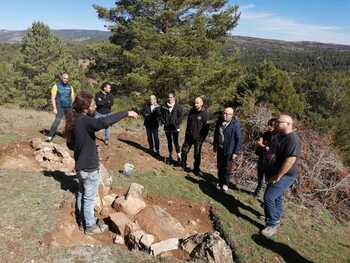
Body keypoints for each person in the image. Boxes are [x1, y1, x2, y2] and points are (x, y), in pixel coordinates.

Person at [65, 91, 138, 235]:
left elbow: (72, 145)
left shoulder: (75, 121)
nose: (95, 107)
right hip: (89, 168)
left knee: (81, 193)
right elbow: (103, 122)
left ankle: (82, 221)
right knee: (89, 198)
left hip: (80, 167)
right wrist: (126, 113)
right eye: (92, 105)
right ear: (86, 108)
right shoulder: (85, 120)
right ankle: (90, 226)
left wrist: (90, 146)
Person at [261, 115, 301, 237]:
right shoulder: (279, 135)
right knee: (277, 196)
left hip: (286, 174)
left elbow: (290, 160)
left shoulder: (293, 139)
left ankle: (272, 224)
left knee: (269, 197)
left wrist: (278, 176)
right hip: (275, 171)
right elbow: (272, 151)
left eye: (279, 122)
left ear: (288, 124)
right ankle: (276, 218)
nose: (276, 123)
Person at [213, 107, 242, 192]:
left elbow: (239, 139)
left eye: (227, 114)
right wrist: (215, 145)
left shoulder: (235, 124)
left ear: (232, 115)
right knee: (219, 166)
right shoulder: (220, 121)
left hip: (229, 150)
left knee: (227, 168)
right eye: (224, 113)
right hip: (220, 148)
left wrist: (235, 152)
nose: (224, 115)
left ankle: (226, 183)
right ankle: (220, 181)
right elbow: (216, 134)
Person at [181, 96, 209, 175]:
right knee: (184, 151)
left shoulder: (205, 113)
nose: (196, 104)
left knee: (196, 155)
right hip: (189, 136)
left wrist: (202, 138)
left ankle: (196, 169)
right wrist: (186, 134)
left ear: (202, 103)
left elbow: (206, 128)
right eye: (195, 103)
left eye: (197, 103)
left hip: (198, 139)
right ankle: (183, 165)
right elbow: (188, 123)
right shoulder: (192, 111)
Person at [46, 72, 75, 142]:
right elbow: (53, 98)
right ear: (62, 78)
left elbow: (73, 97)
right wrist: (54, 108)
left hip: (68, 107)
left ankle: (68, 136)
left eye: (67, 79)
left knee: (70, 122)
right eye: (64, 78)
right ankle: (50, 136)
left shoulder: (70, 87)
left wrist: (73, 107)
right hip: (60, 107)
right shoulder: (56, 86)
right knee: (57, 121)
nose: (65, 80)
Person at [254, 118, 278, 197]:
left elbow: (273, 149)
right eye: (268, 125)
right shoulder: (266, 134)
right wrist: (264, 146)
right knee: (260, 177)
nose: (269, 127)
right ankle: (257, 192)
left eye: (271, 125)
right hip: (262, 158)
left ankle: (266, 197)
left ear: (276, 126)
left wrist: (263, 146)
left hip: (271, 161)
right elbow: (258, 143)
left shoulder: (278, 137)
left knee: (269, 181)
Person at [161, 92, 183, 164]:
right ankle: (170, 155)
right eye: (168, 97)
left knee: (176, 142)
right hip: (167, 127)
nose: (169, 99)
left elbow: (181, 117)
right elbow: (161, 115)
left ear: (174, 98)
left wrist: (176, 123)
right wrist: (164, 122)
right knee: (169, 141)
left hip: (175, 127)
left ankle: (179, 156)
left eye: (171, 97)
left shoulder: (178, 106)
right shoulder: (164, 106)